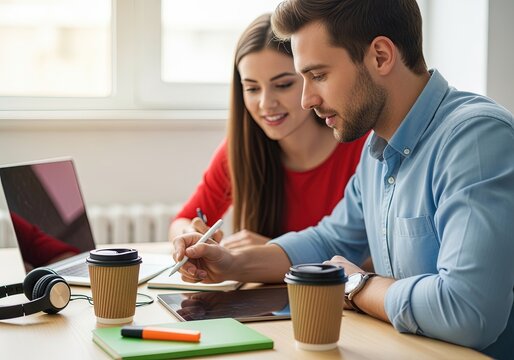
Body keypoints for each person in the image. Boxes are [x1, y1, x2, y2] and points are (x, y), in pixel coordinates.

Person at [171, 1, 514, 358]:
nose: (307, 100)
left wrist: (355, 284)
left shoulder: (475, 138)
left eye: (318, 75)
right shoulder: (376, 150)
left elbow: (468, 312)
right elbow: (330, 240)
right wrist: (231, 263)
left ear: (381, 56)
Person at [169, 13, 367, 250]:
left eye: (283, 85)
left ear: (312, 78)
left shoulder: (362, 148)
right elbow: (181, 221)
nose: (265, 103)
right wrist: (190, 234)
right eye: (252, 88)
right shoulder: (240, 149)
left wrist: (277, 251)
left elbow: (376, 258)